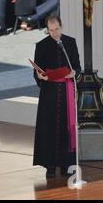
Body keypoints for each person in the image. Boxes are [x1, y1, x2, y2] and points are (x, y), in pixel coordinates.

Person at [33, 16, 81, 179]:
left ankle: (67, 164)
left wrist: (75, 72)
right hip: (49, 93)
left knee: (66, 128)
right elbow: (37, 70)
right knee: (49, 127)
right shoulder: (41, 45)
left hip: (66, 90)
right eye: (50, 30)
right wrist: (41, 76)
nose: (54, 33)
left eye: (57, 29)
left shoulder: (70, 42)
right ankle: (50, 166)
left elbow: (77, 66)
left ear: (61, 26)